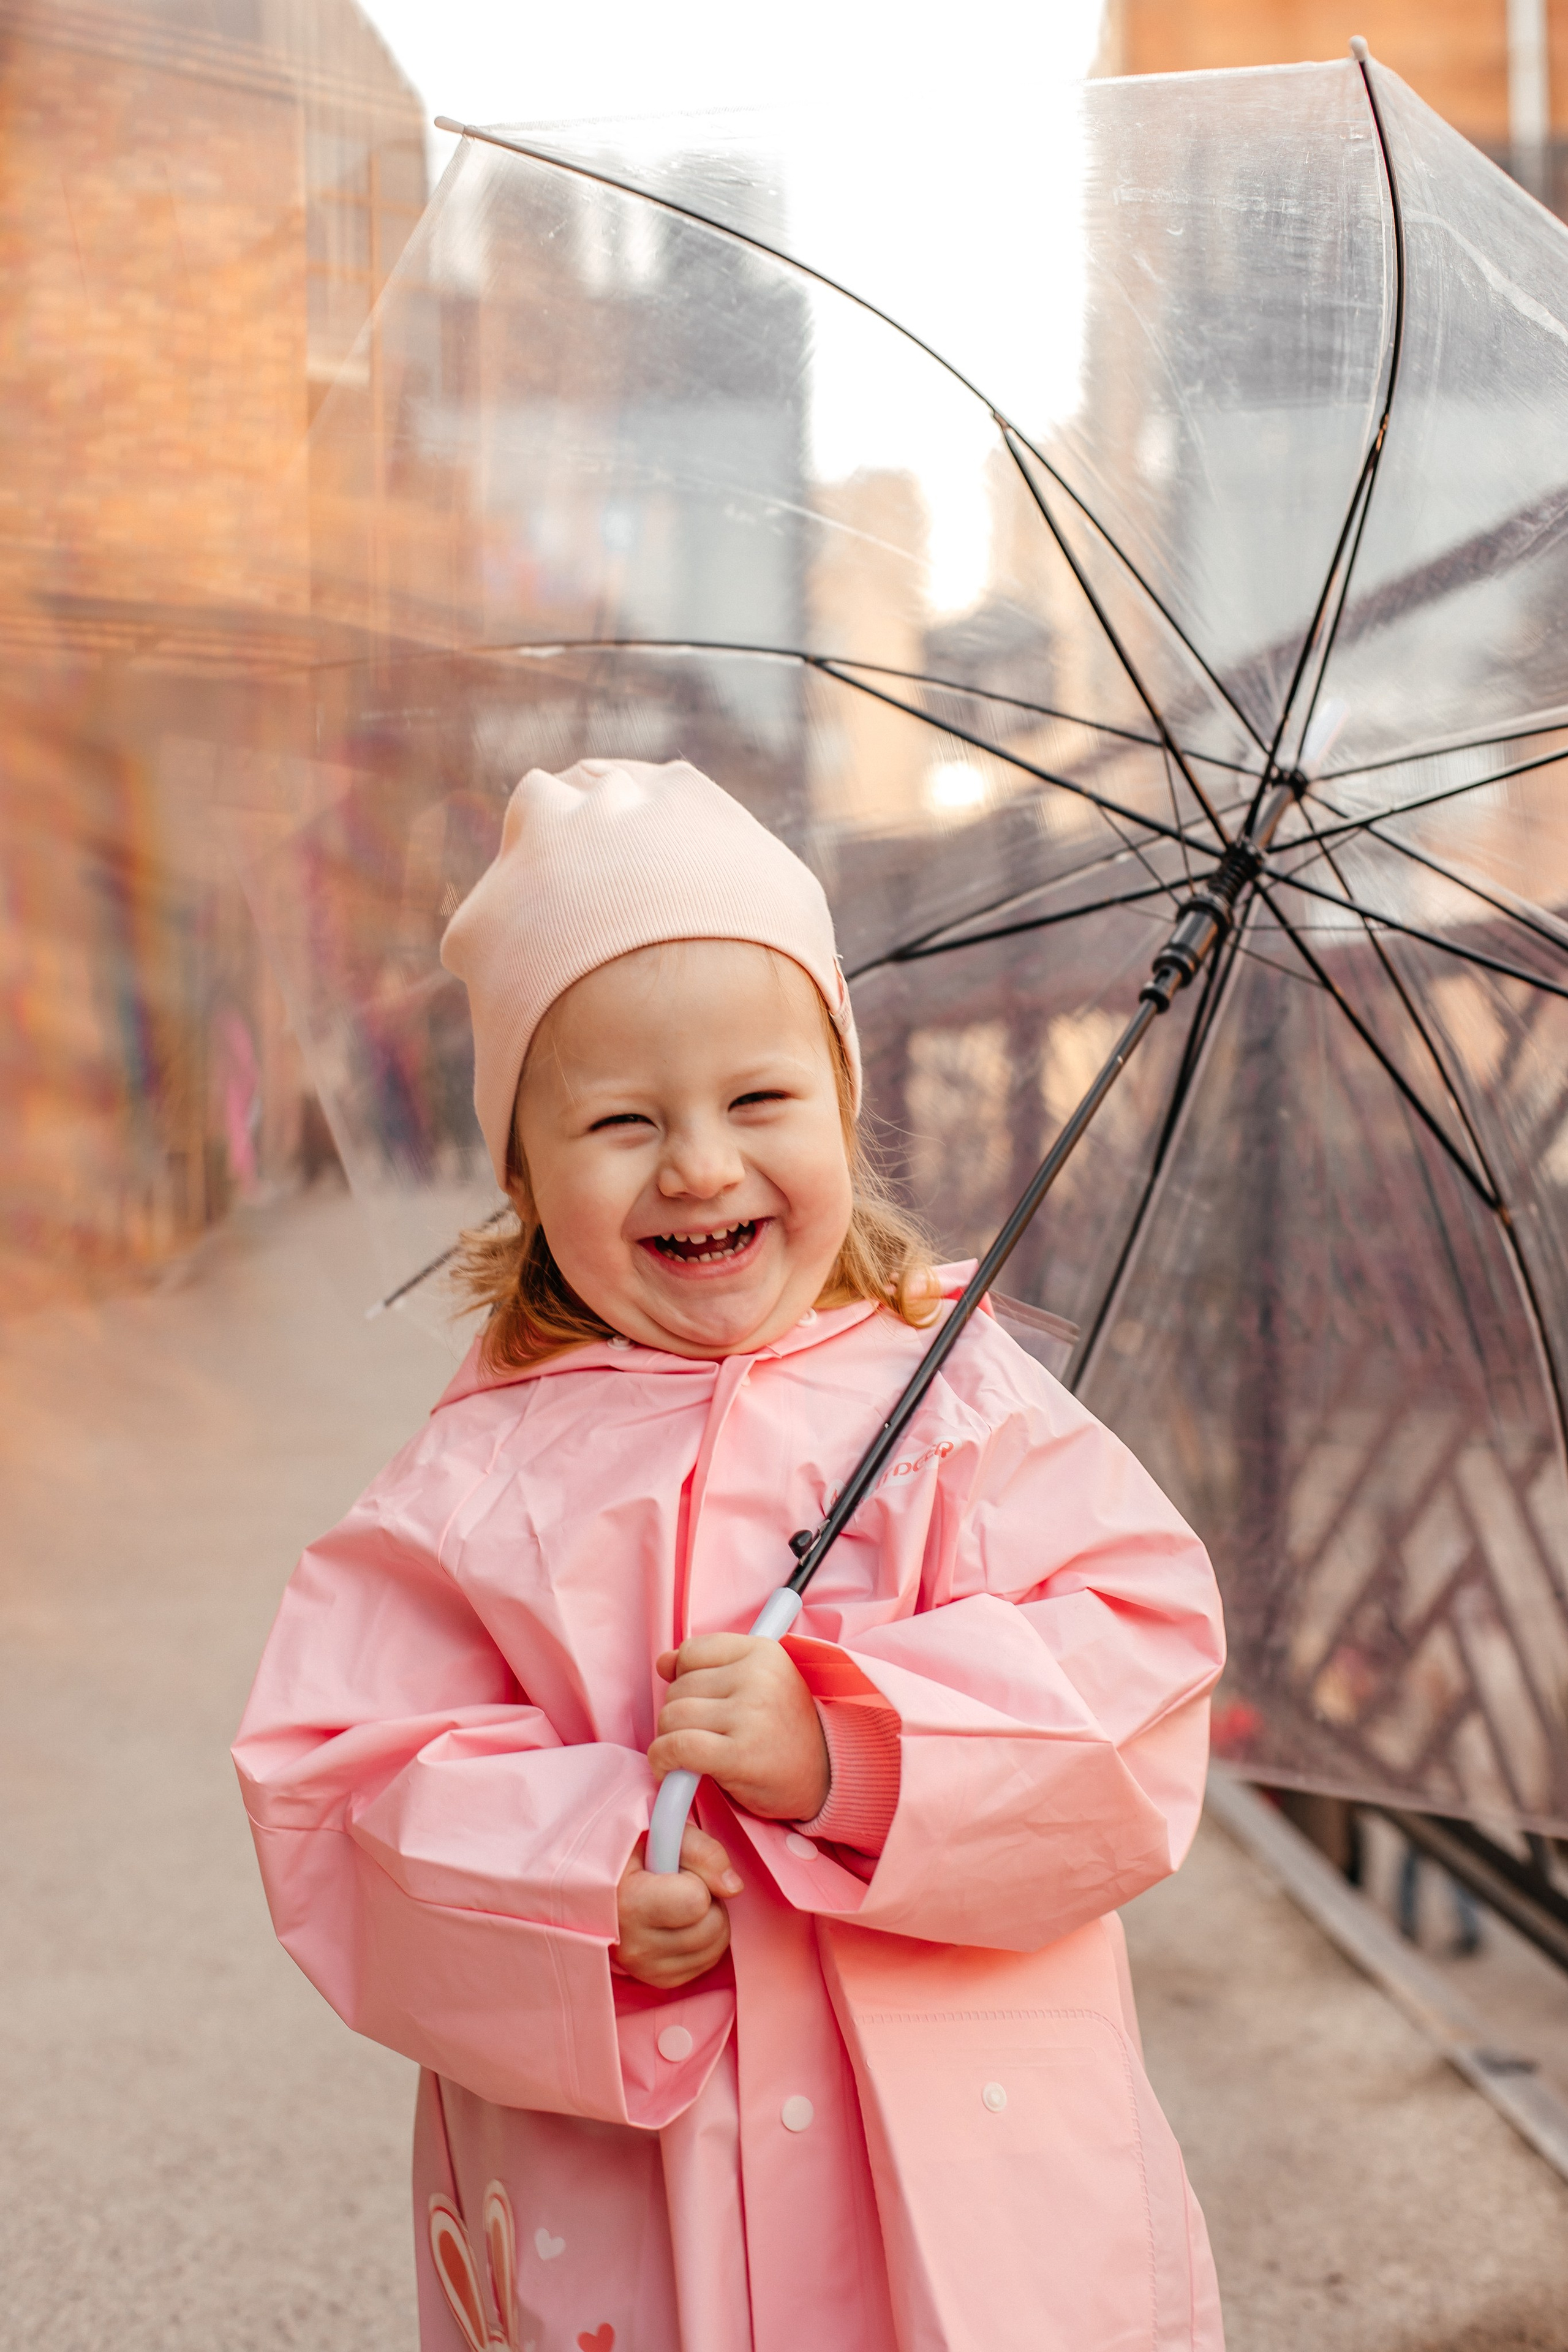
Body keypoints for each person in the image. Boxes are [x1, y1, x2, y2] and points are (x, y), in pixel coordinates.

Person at [235, 757, 1227, 2352]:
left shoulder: (958, 1402)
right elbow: (343, 1784)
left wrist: (847, 1741)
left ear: (843, 1103)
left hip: (967, 2183)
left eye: (759, 1101)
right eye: (623, 1122)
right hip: (642, 2206)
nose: (699, 1164)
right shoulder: (480, 1473)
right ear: (523, 1172)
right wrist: (580, 1878)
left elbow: (1137, 1668)